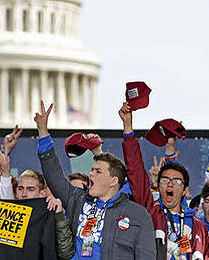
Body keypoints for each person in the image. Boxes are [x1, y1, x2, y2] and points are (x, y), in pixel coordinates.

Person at [36, 101, 156, 260]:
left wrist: (127, 127)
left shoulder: (137, 214)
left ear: (114, 181)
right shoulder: (78, 200)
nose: (91, 174)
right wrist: (43, 132)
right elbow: (54, 177)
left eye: (98, 171)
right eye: (92, 170)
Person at [118, 102, 209, 260]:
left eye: (176, 181)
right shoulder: (150, 211)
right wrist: (128, 128)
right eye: (165, 179)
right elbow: (136, 171)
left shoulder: (198, 226)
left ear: (185, 190)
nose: (170, 184)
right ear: (159, 185)